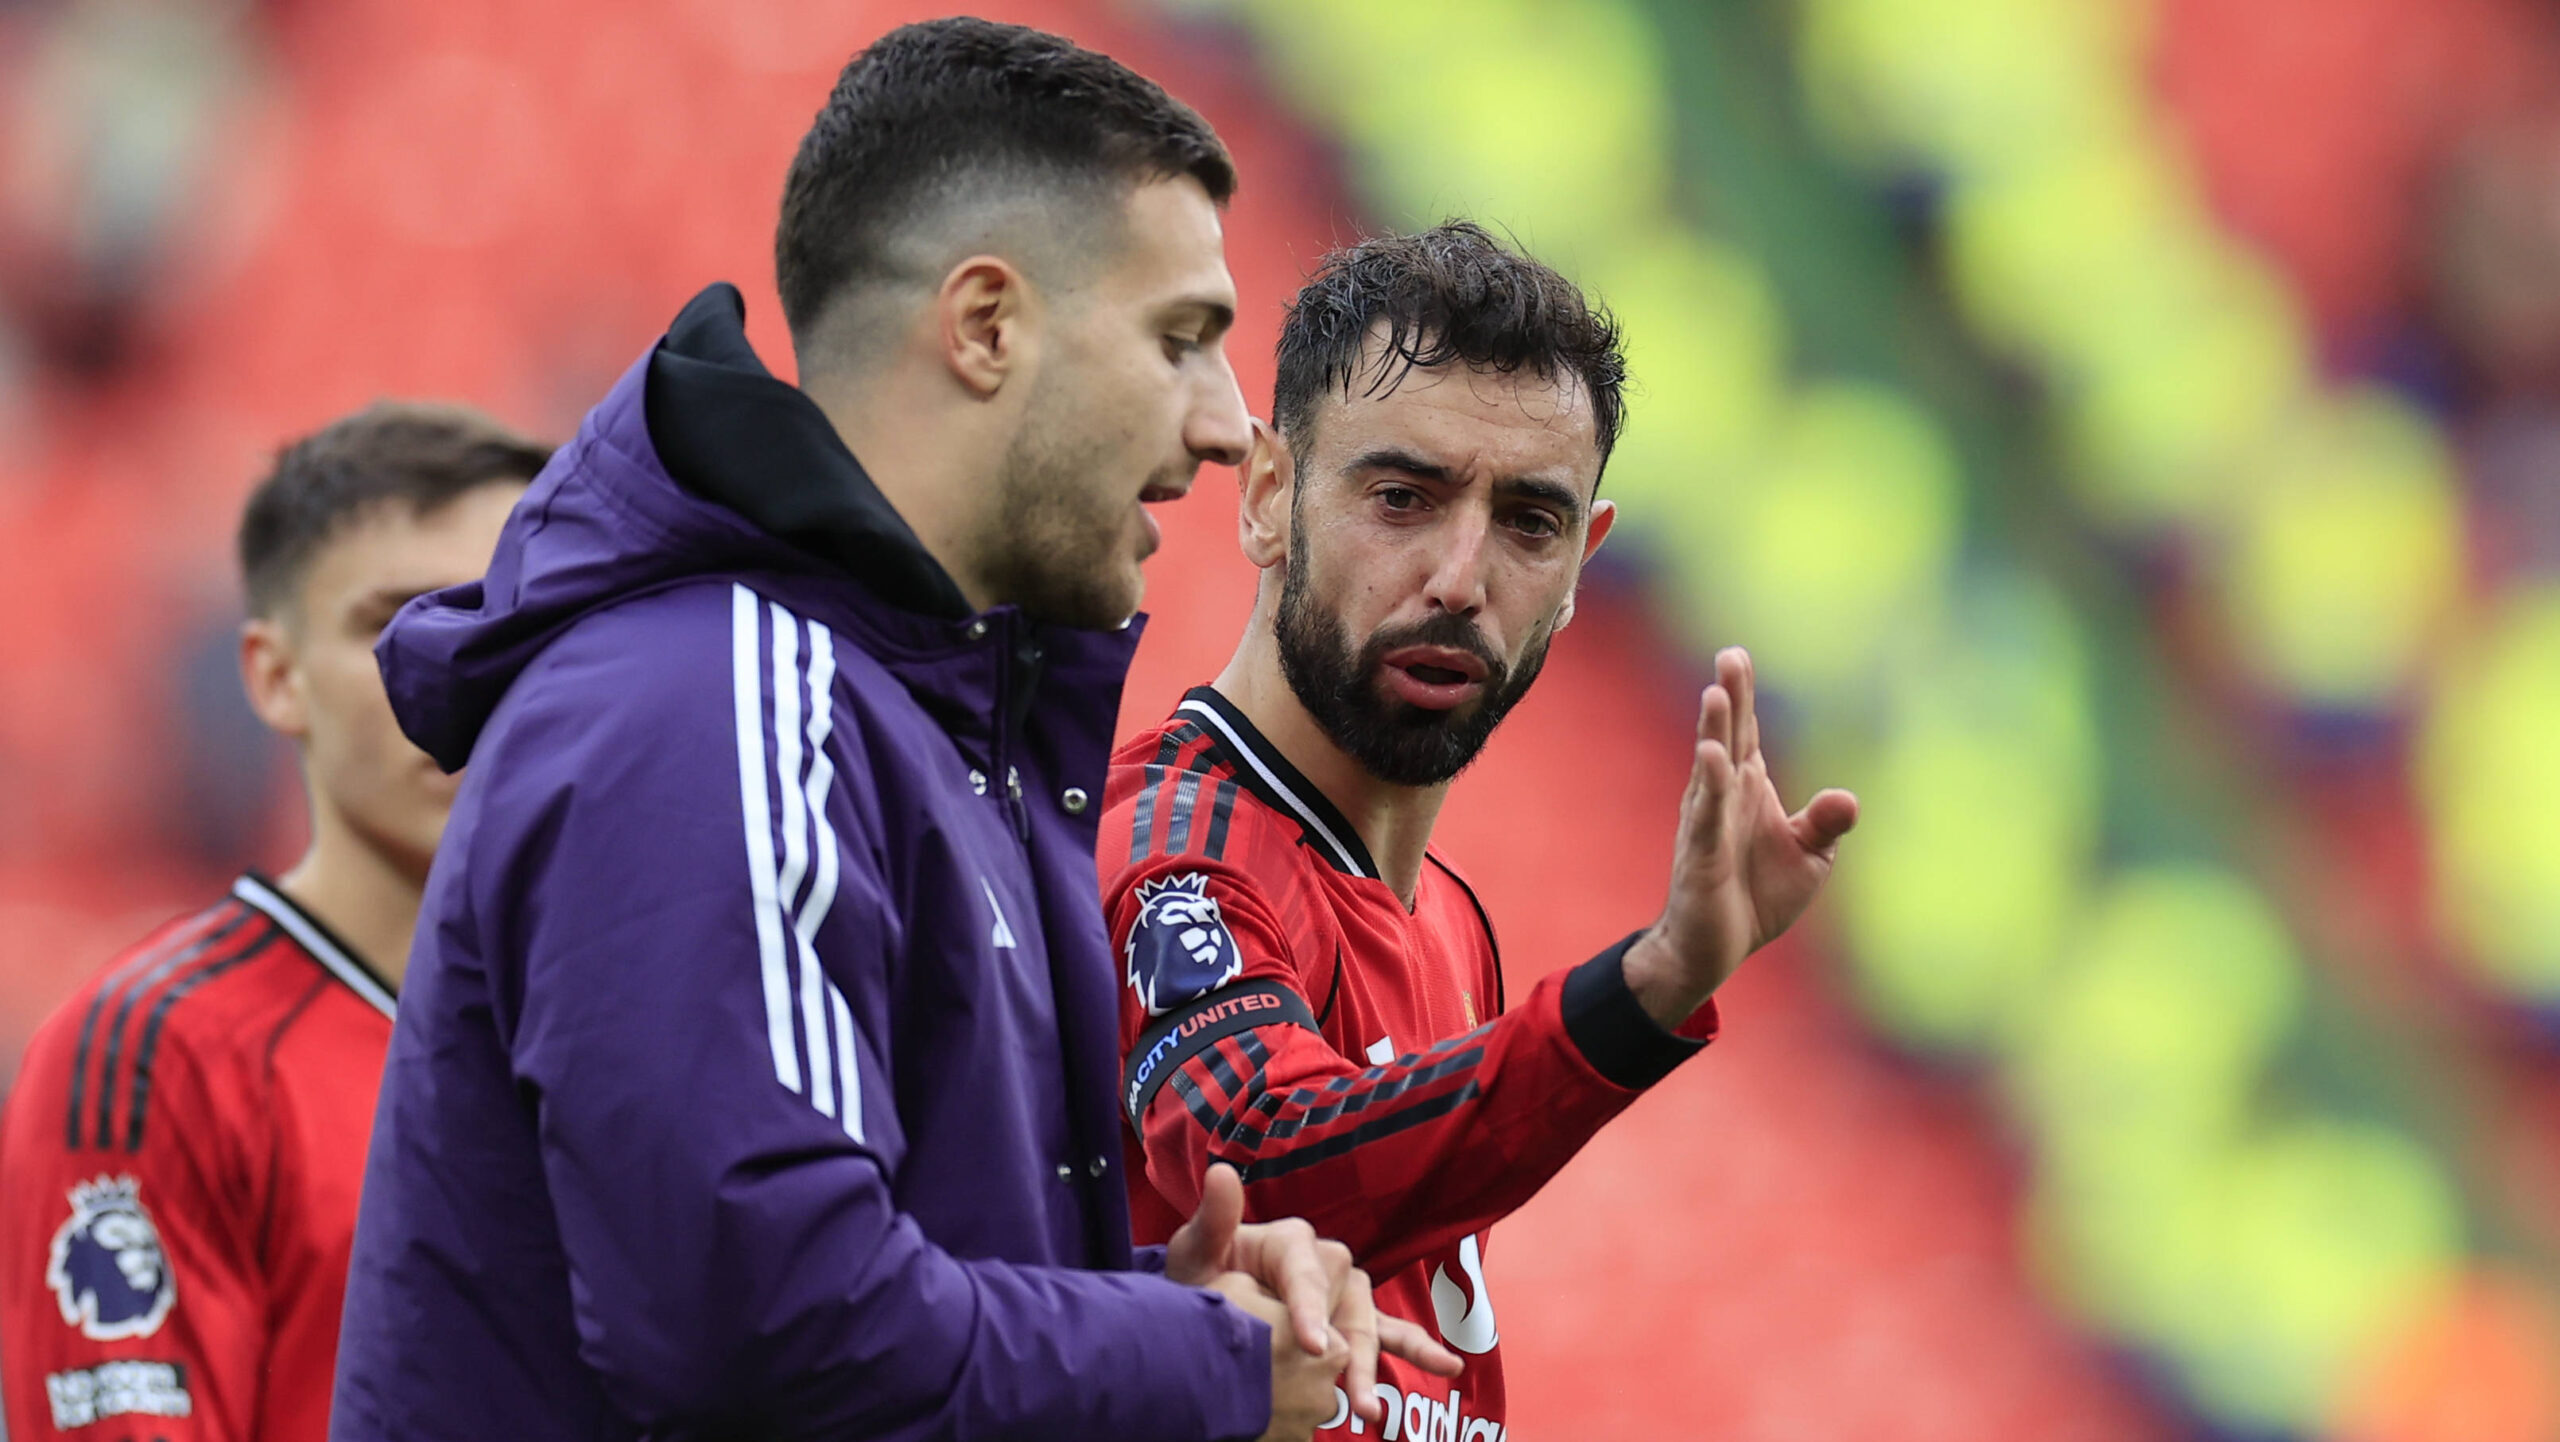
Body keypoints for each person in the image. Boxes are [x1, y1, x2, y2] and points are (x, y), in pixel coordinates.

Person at [331, 19, 1452, 1442]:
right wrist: (1200, 1364)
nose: (1231, 425)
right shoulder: (714, 706)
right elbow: (767, 1333)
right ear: (985, 326)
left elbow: (870, 1288)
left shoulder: (916, 725)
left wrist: (1164, 1305)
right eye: (1180, 340)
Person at [1100, 222, 1862, 1438]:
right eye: (1402, 497)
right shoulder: (1170, 848)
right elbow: (1259, 1163)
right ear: (1268, 496)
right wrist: (1651, 984)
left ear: (1581, 565)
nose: (1460, 577)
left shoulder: (1449, 921)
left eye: (1528, 522)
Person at [0, 403, 548, 1442]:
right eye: (396, 624)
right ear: (274, 676)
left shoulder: (653, 1018)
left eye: (510, 622)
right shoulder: (156, 1057)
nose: (460, 674)